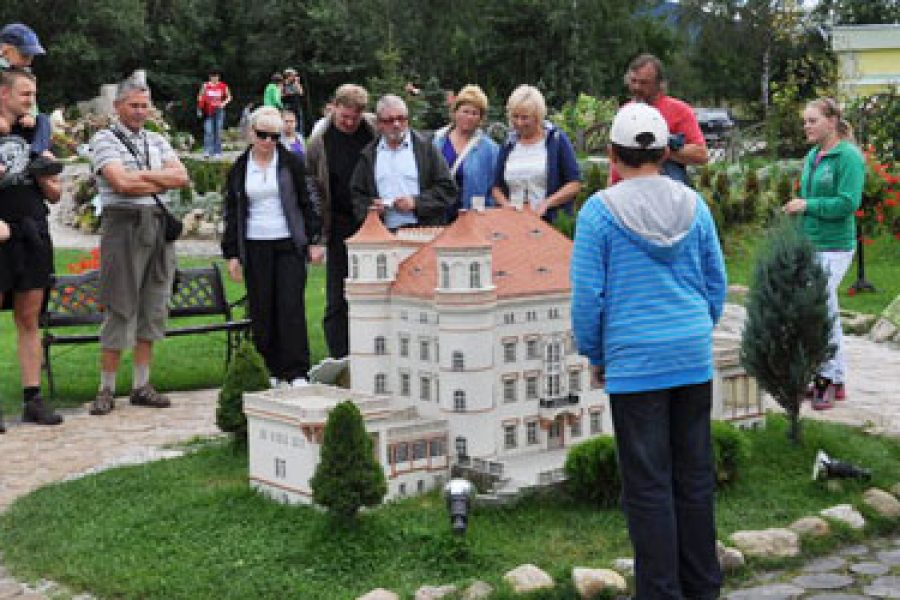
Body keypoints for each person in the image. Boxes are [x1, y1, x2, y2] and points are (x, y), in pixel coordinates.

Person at [571, 103, 727, 600]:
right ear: (663, 154)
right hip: (690, 356)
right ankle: (703, 587)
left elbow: (587, 298)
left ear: (612, 154)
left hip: (635, 361)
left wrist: (597, 353)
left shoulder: (599, 213)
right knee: (694, 478)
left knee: (648, 486)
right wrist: (694, 331)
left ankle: (660, 592)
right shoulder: (694, 206)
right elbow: (716, 283)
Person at [87, 78, 190, 416]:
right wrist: (158, 178)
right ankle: (106, 389)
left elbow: (181, 177)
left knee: (154, 303)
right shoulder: (104, 139)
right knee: (120, 304)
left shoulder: (156, 139)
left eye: (145, 106)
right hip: (123, 225)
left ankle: (141, 385)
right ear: (118, 106)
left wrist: (141, 178)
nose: (140, 112)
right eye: (134, 105)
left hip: (158, 225)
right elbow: (120, 183)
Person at [222, 107, 322, 387]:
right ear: (251, 133)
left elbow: (309, 202)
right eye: (263, 135)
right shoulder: (240, 168)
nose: (268, 142)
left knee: (290, 306)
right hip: (255, 245)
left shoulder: (291, 164)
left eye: (275, 136)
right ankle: (271, 370)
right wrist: (232, 254)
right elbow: (232, 212)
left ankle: (297, 371)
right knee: (262, 309)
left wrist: (314, 240)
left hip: (288, 242)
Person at [783, 97, 864, 410]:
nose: (806, 126)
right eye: (805, 121)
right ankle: (832, 380)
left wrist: (808, 205)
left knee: (822, 310)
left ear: (832, 121)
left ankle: (828, 379)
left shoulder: (849, 157)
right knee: (819, 310)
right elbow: (810, 198)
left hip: (835, 246)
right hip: (811, 244)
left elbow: (848, 203)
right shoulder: (814, 155)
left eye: (812, 120)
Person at [0, 67, 64, 429]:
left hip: (33, 231)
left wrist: (45, 175)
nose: (31, 101)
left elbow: (55, 194)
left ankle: (33, 398)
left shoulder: (36, 130)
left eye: (33, 94)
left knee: (29, 317)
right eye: (25, 94)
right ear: (3, 94)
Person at [306, 84, 377, 359]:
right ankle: (339, 355)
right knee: (338, 294)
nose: (349, 123)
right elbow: (312, 187)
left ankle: (371, 348)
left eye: (354, 118)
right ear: (334, 107)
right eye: (344, 116)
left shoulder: (373, 130)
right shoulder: (319, 142)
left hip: (372, 220)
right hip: (337, 222)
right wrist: (317, 237)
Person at [350, 94, 456, 232]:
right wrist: (371, 208)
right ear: (379, 123)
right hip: (383, 233)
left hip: (423, 232)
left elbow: (448, 189)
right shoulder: (368, 155)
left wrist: (416, 203)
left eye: (401, 118)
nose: (396, 124)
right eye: (389, 120)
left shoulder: (426, 149)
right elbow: (357, 196)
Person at [609, 53, 708, 186]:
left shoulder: (680, 110)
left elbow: (701, 155)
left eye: (644, 83)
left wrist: (658, 147)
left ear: (659, 84)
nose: (637, 87)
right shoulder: (625, 111)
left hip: (663, 192)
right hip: (623, 190)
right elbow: (614, 162)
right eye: (633, 81)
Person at [492, 84, 581, 223]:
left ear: (538, 117)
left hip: (549, 221)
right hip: (514, 221)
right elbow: (496, 187)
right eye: (515, 116)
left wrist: (547, 203)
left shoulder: (556, 140)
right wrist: (506, 205)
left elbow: (574, 184)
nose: (519, 123)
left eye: (525, 118)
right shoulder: (508, 143)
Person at [431, 84, 499, 221]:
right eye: (465, 111)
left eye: (474, 113)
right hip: (439, 215)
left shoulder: (490, 149)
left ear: (481, 118)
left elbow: (494, 188)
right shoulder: (437, 141)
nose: (469, 117)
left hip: (473, 217)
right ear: (455, 112)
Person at [0, 23, 51, 156]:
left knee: (43, 120)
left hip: (18, 123)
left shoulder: (26, 73)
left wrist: (31, 115)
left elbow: (31, 101)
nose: (28, 62)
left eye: (31, 57)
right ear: (6, 50)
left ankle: (37, 152)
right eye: (24, 56)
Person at [197, 69, 231, 158]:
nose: (214, 78)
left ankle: (217, 152)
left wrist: (223, 103)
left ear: (218, 77)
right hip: (208, 111)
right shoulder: (205, 85)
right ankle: (207, 151)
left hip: (219, 111)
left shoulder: (223, 86)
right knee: (208, 131)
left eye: (216, 76)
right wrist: (199, 108)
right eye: (212, 76)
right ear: (210, 77)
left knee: (218, 131)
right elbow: (200, 97)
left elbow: (229, 97)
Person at [281, 68, 304, 134]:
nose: (294, 77)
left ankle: (299, 135)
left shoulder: (295, 84)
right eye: (293, 75)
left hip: (296, 105)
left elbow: (301, 92)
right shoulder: (283, 84)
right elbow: (281, 95)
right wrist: (289, 93)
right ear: (288, 76)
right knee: (287, 120)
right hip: (288, 105)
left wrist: (297, 83)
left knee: (299, 121)